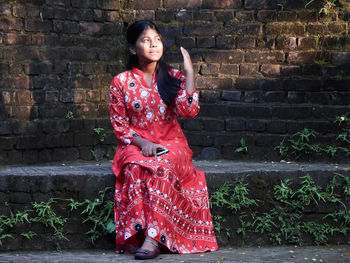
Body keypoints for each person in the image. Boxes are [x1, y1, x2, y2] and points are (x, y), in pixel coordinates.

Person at [109, 20, 218, 260]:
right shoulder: (121, 82)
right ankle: (144, 236)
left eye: (157, 40)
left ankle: (152, 239)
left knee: (163, 166)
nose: (153, 44)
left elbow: (188, 111)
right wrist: (143, 144)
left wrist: (189, 73)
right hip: (135, 144)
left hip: (172, 143)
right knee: (136, 167)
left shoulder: (173, 76)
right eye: (146, 40)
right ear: (132, 48)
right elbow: (120, 126)